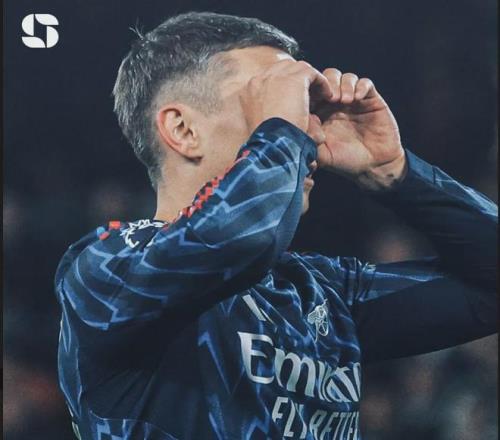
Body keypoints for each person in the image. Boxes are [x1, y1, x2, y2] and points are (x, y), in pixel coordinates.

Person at [55, 11, 497, 440]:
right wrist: (282, 129)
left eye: (303, 108)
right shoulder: (104, 273)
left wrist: (396, 172)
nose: (310, 133)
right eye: (270, 101)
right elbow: (244, 237)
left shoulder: (320, 293)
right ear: (183, 129)